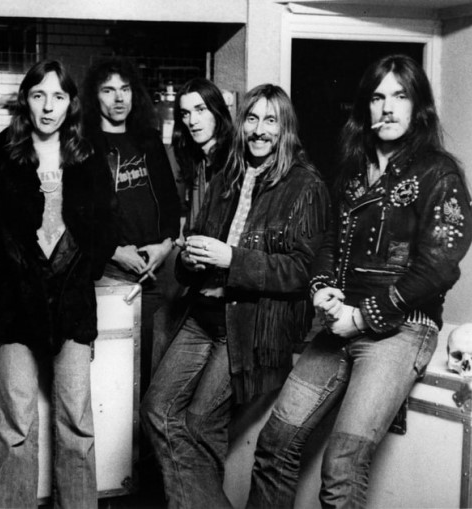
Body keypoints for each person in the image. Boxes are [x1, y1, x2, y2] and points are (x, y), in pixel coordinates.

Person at [248, 55, 472, 508]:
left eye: (400, 96)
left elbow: (438, 268)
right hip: (339, 325)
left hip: (401, 329)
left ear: (418, 107)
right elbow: (330, 241)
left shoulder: (439, 173)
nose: (387, 108)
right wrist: (321, 288)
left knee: (342, 465)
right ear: (365, 107)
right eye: (377, 97)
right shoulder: (353, 170)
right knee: (274, 445)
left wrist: (363, 315)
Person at [141, 84, 330, 509]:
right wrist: (189, 258)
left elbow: (301, 272)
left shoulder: (306, 185)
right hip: (202, 314)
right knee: (156, 409)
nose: (259, 130)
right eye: (252, 119)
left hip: (247, 326)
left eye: (270, 120)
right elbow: (195, 243)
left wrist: (232, 259)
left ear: (285, 129)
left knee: (199, 423)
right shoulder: (228, 174)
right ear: (241, 124)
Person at [0, 60, 116, 508]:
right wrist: (10, 269)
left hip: (73, 303)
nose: (48, 107)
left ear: (71, 104)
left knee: (76, 423)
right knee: (17, 425)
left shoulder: (87, 156)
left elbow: (107, 227)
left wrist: (79, 269)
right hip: (15, 302)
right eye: (38, 95)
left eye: (58, 97)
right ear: (25, 100)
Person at [81, 57, 180, 393]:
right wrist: (113, 251)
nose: (119, 97)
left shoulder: (149, 140)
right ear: (94, 97)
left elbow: (170, 204)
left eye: (124, 89)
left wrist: (164, 246)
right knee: (113, 372)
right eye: (108, 90)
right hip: (111, 272)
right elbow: (78, 217)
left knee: (154, 370)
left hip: (155, 271)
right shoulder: (85, 145)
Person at [172, 77, 234, 227]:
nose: (192, 121)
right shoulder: (199, 163)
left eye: (200, 110)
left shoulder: (234, 163)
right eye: (185, 113)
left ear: (217, 111)